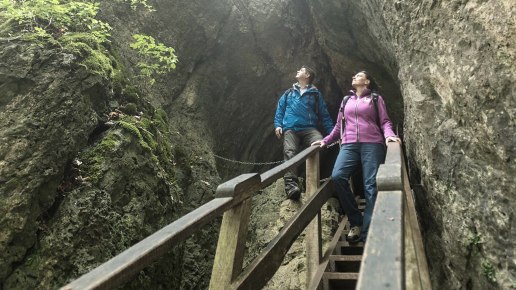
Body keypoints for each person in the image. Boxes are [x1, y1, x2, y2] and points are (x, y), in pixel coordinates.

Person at [312, 71, 400, 242]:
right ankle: (356, 222)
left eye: (359, 75)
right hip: (349, 144)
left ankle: (367, 233)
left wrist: (389, 135)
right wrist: (325, 140)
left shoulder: (375, 99)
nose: (354, 76)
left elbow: (384, 121)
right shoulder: (346, 100)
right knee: (338, 176)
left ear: (367, 81)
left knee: (371, 185)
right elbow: (339, 126)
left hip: (372, 143)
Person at [274, 66, 334, 200]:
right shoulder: (289, 92)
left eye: (300, 70)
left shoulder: (315, 94)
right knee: (290, 151)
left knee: (318, 142)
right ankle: (291, 186)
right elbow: (280, 109)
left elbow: (324, 115)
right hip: (291, 128)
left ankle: (311, 182)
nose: (297, 71)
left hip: (309, 128)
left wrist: (332, 134)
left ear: (307, 75)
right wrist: (278, 125)